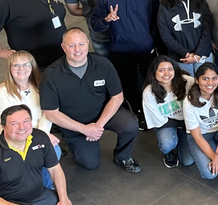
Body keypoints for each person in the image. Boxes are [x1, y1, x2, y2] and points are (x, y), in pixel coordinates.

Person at [40, 28, 142, 173]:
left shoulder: (103, 64)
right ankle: (70, 140)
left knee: (130, 125)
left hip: (102, 115)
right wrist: (84, 129)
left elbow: (117, 97)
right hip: (75, 125)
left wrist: (98, 126)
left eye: (81, 44)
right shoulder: (51, 75)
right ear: (63, 47)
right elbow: (51, 113)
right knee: (90, 163)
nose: (77, 49)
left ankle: (123, 156)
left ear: (88, 43)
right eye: (71, 45)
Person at [90, 0, 158, 116]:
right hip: (121, 52)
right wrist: (107, 19)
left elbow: (156, 22)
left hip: (145, 51)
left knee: (152, 83)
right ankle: (139, 113)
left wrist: (151, 40)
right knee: (128, 86)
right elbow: (95, 24)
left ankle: (154, 112)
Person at [0, 51, 60, 189]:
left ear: (32, 67)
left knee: (53, 150)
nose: (21, 69)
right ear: (9, 69)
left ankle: (47, 188)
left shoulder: (39, 88)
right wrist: (43, 136)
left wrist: (43, 134)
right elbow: (14, 124)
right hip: (11, 140)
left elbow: (47, 113)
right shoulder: (0, 93)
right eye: (16, 66)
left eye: (26, 64)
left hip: (36, 134)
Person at [157, 0, 214, 76]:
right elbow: (166, 36)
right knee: (185, 90)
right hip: (180, 58)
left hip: (202, 55)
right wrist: (186, 53)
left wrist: (197, 54)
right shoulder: (165, 5)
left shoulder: (201, 2)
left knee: (206, 87)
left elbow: (207, 31)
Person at [141, 56, 194, 169]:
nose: (166, 73)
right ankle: (168, 153)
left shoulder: (187, 81)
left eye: (170, 69)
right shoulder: (149, 92)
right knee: (167, 143)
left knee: (187, 160)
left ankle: (181, 139)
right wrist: (181, 125)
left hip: (187, 121)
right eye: (161, 70)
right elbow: (158, 120)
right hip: (166, 123)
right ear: (153, 72)